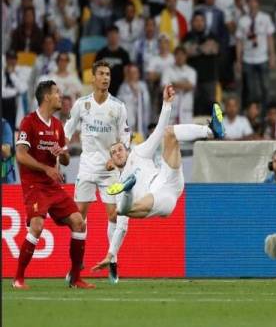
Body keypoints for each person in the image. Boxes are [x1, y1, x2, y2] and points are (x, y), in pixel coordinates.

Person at [90, 86, 225, 270]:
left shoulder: (139, 153)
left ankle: (211, 131)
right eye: (113, 153)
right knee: (121, 212)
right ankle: (129, 193)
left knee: (169, 133)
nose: (118, 153)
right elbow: (121, 229)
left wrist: (167, 104)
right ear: (111, 161)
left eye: (120, 149)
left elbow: (158, 131)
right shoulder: (118, 186)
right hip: (161, 198)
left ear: (126, 149)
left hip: (168, 178)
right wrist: (111, 255)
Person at [13, 80, 93, 289]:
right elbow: (20, 155)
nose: (60, 97)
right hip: (34, 185)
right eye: (57, 93)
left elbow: (65, 160)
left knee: (79, 222)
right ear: (47, 97)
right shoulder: (29, 122)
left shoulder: (57, 126)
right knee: (37, 226)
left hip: (53, 186)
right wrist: (46, 168)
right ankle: (18, 279)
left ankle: (75, 278)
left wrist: (62, 153)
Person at [64, 60, 131, 284]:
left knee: (114, 214)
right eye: (101, 74)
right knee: (78, 218)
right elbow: (68, 129)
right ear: (92, 78)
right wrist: (59, 149)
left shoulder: (118, 107)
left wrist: (117, 159)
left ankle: (112, 260)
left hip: (109, 169)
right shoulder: (82, 105)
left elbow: (126, 137)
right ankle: (75, 267)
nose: (105, 78)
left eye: (108, 74)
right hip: (86, 168)